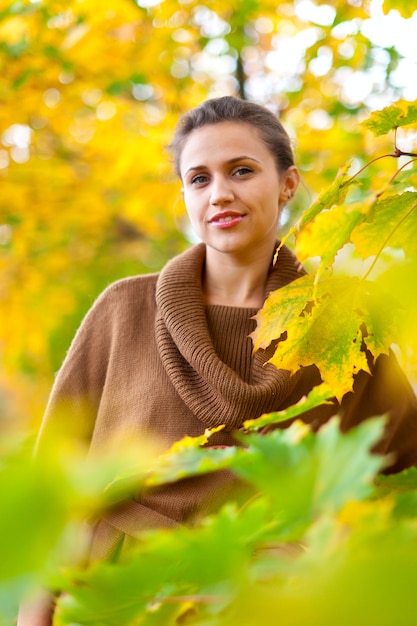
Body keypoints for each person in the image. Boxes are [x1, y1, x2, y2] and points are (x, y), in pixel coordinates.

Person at [18, 95, 417, 625]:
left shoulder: (345, 326)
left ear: (288, 184)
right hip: (119, 603)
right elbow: (56, 494)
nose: (220, 194)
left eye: (242, 170)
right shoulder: (122, 310)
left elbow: (401, 490)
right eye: (199, 179)